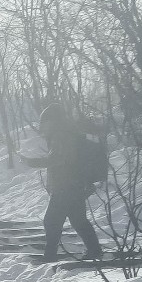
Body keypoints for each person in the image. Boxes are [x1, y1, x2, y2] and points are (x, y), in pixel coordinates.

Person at [22, 104, 108, 261]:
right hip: (75, 185)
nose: (42, 126)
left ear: (53, 122)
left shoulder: (61, 136)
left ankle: (50, 256)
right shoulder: (68, 134)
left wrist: (31, 162)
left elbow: (58, 159)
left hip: (66, 187)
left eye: (44, 122)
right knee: (78, 220)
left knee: (51, 221)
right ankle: (95, 251)